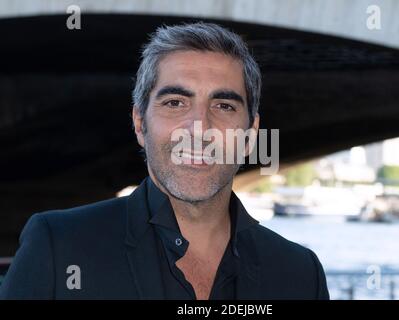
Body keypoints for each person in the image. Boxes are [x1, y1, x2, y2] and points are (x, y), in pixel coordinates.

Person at [0, 22, 329, 300]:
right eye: (175, 103)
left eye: (224, 106)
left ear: (250, 134)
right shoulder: (59, 247)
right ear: (141, 123)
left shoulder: (300, 275)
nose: (199, 128)